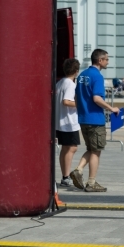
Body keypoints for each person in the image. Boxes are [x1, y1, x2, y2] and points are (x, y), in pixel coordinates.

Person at [69, 49, 120, 192]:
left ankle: (78, 170)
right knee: (96, 151)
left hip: (83, 118)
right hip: (95, 119)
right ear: (100, 60)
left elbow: (76, 97)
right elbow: (97, 98)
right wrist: (111, 108)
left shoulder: (81, 75)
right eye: (106, 59)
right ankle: (91, 182)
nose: (108, 62)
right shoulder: (97, 76)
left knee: (91, 149)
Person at [56, 58, 80, 187]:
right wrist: (80, 104)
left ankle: (65, 176)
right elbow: (66, 101)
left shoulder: (60, 83)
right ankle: (66, 176)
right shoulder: (70, 84)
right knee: (72, 148)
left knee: (66, 148)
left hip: (60, 121)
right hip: (69, 122)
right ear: (76, 71)